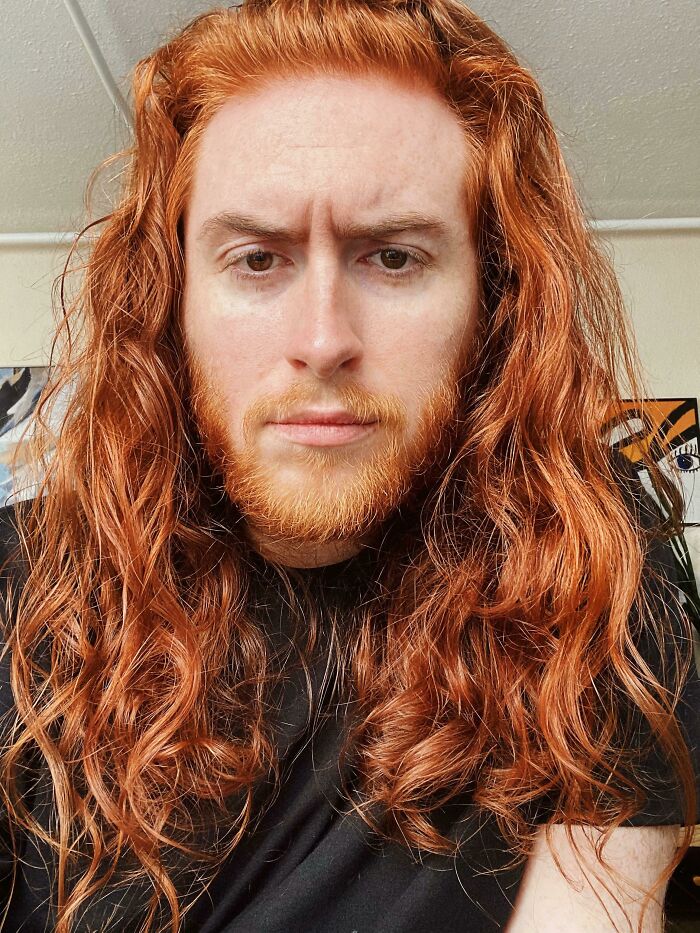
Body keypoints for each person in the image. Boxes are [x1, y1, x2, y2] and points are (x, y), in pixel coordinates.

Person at [0, 1, 698, 931]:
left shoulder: (589, 563)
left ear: (493, 300)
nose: (324, 339)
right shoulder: (20, 587)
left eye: (395, 257)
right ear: (170, 298)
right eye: (257, 259)